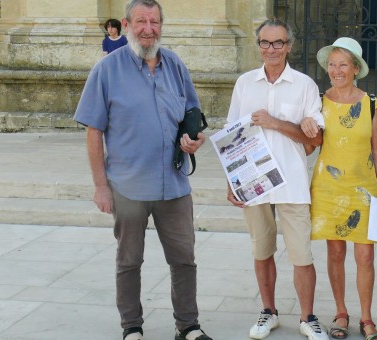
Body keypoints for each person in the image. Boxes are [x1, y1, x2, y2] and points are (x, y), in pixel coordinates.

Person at [73, 1, 212, 340]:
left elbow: (192, 116)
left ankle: (188, 326)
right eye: (141, 21)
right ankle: (132, 327)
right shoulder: (107, 70)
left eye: (154, 21)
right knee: (129, 261)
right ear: (126, 24)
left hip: (174, 185)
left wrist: (194, 140)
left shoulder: (175, 65)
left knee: (184, 261)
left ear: (161, 25)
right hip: (128, 185)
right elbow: (93, 131)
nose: (148, 28)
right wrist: (100, 186)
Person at [225, 18, 328, 340]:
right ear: (258, 46)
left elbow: (314, 141)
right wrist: (231, 180)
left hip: (292, 181)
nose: (272, 49)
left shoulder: (305, 85)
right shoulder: (244, 83)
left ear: (289, 46)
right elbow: (232, 136)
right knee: (262, 250)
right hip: (253, 181)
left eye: (278, 43)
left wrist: (275, 122)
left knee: (302, 255)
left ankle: (307, 317)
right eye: (266, 43)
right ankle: (268, 311)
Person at [300, 37, 377, 340]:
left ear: (356, 68)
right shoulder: (318, 101)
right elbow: (309, 146)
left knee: (365, 256)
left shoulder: (370, 104)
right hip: (329, 188)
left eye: (343, 64)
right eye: (332, 64)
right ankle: (341, 312)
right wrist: (305, 125)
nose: (336, 70)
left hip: (363, 189)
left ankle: (367, 319)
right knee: (336, 253)